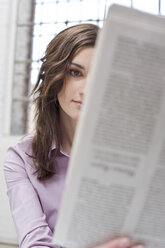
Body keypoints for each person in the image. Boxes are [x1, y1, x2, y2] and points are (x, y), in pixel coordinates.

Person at [4, 24, 144, 248]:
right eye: (75, 72)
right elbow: (35, 244)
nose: (87, 89)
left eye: (98, 75)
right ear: (54, 77)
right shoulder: (21, 157)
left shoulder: (133, 152)